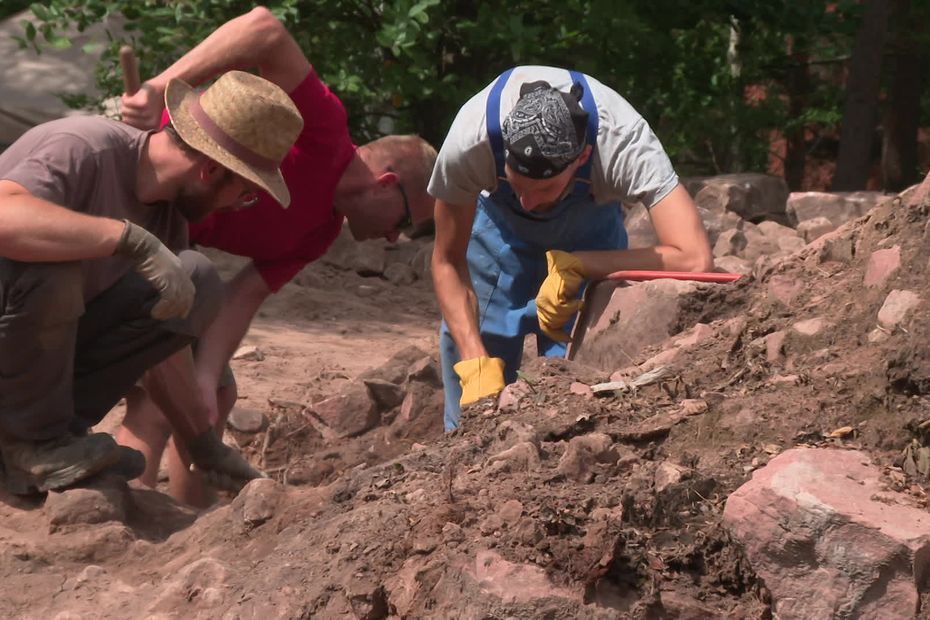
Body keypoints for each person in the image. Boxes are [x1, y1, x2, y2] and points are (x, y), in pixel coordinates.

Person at [116, 7, 437, 506]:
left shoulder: (321, 233)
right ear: (386, 185)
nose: (395, 241)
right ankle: (120, 520)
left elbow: (242, 296)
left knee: (212, 395)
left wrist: (204, 376)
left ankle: (186, 526)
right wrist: (161, 87)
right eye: (403, 223)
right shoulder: (325, 128)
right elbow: (264, 28)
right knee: (158, 401)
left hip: (175, 252)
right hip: (135, 204)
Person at [0, 69, 301, 494]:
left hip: (22, 381)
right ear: (211, 170)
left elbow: (162, 351)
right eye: (246, 192)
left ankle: (47, 439)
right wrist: (126, 239)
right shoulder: (84, 148)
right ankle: (28, 446)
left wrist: (201, 442)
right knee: (55, 264)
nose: (238, 207)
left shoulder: (168, 216)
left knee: (194, 278)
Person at [430, 66, 714, 430]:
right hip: (496, 241)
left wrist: (581, 264)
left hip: (590, 236)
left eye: (544, 189)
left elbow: (695, 258)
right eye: (517, 184)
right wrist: (474, 360)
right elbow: (447, 262)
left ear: (582, 158)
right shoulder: (470, 140)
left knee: (581, 389)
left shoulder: (623, 140)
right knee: (474, 400)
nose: (528, 202)